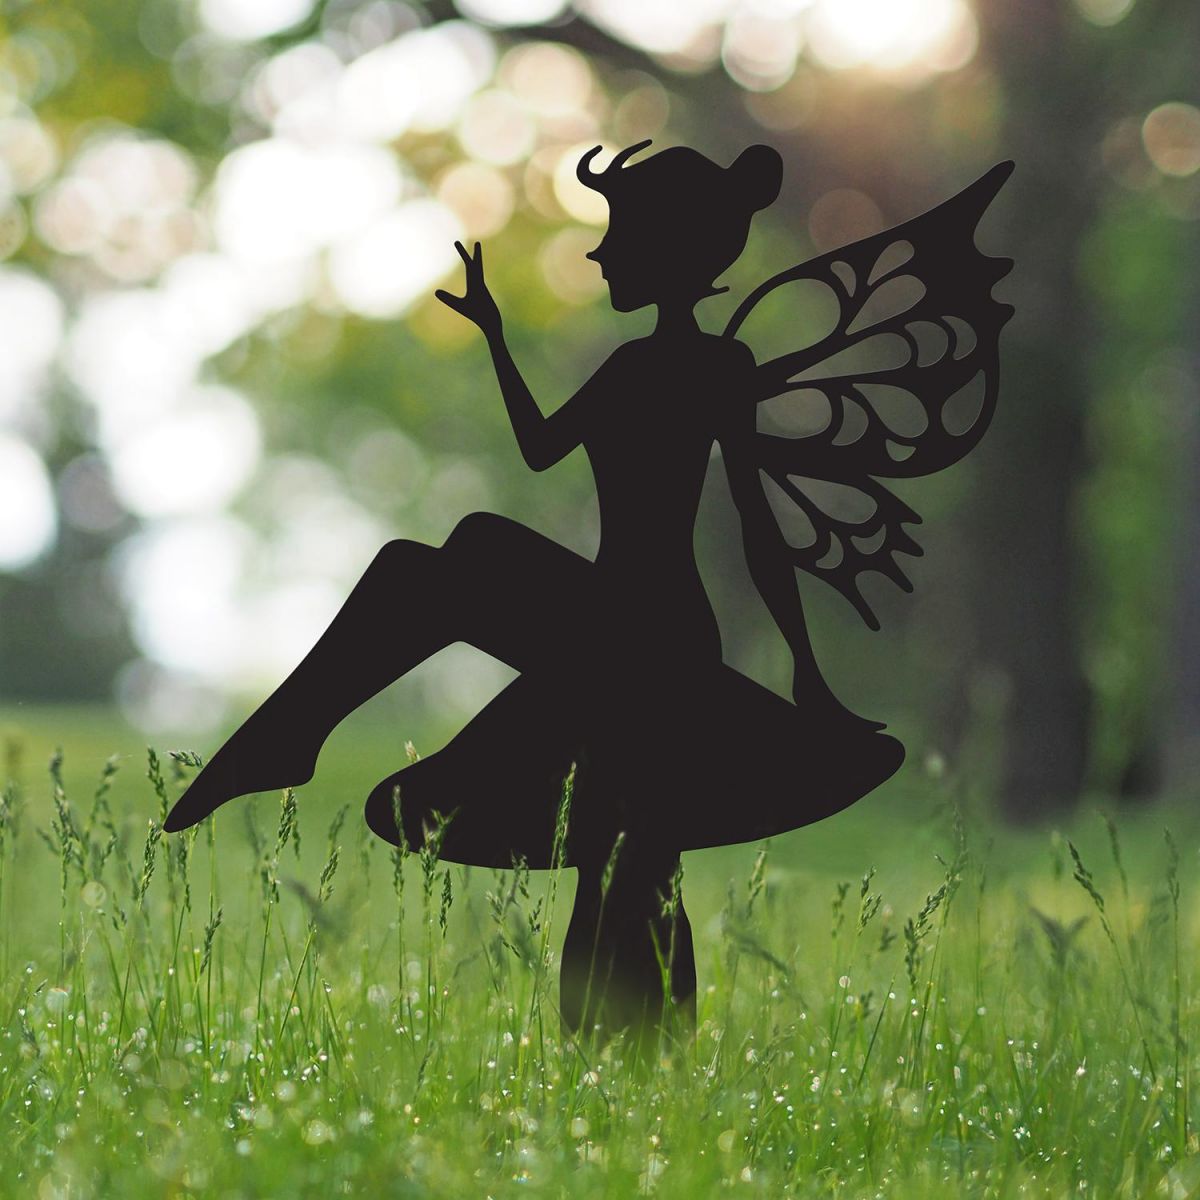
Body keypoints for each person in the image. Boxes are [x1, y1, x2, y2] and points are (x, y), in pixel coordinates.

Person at [164, 142, 906, 1052]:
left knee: (623, 831)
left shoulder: (718, 368)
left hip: (654, 633)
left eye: (619, 238)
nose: (600, 254)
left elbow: (758, 524)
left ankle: (288, 739)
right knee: (616, 840)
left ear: (668, 250)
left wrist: (808, 674)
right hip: (607, 619)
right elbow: (541, 445)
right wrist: (493, 334)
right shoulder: (629, 367)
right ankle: (618, 1057)